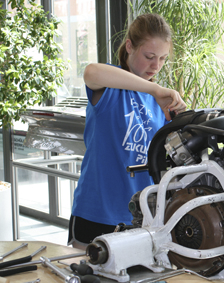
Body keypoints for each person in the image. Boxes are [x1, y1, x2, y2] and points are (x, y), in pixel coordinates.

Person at [68, 13, 186, 250]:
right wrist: (155, 89)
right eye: (149, 56)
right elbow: (91, 72)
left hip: (142, 219)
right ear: (130, 46)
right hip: (96, 213)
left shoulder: (159, 102)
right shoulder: (110, 86)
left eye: (163, 58)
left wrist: (180, 121)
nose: (156, 66)